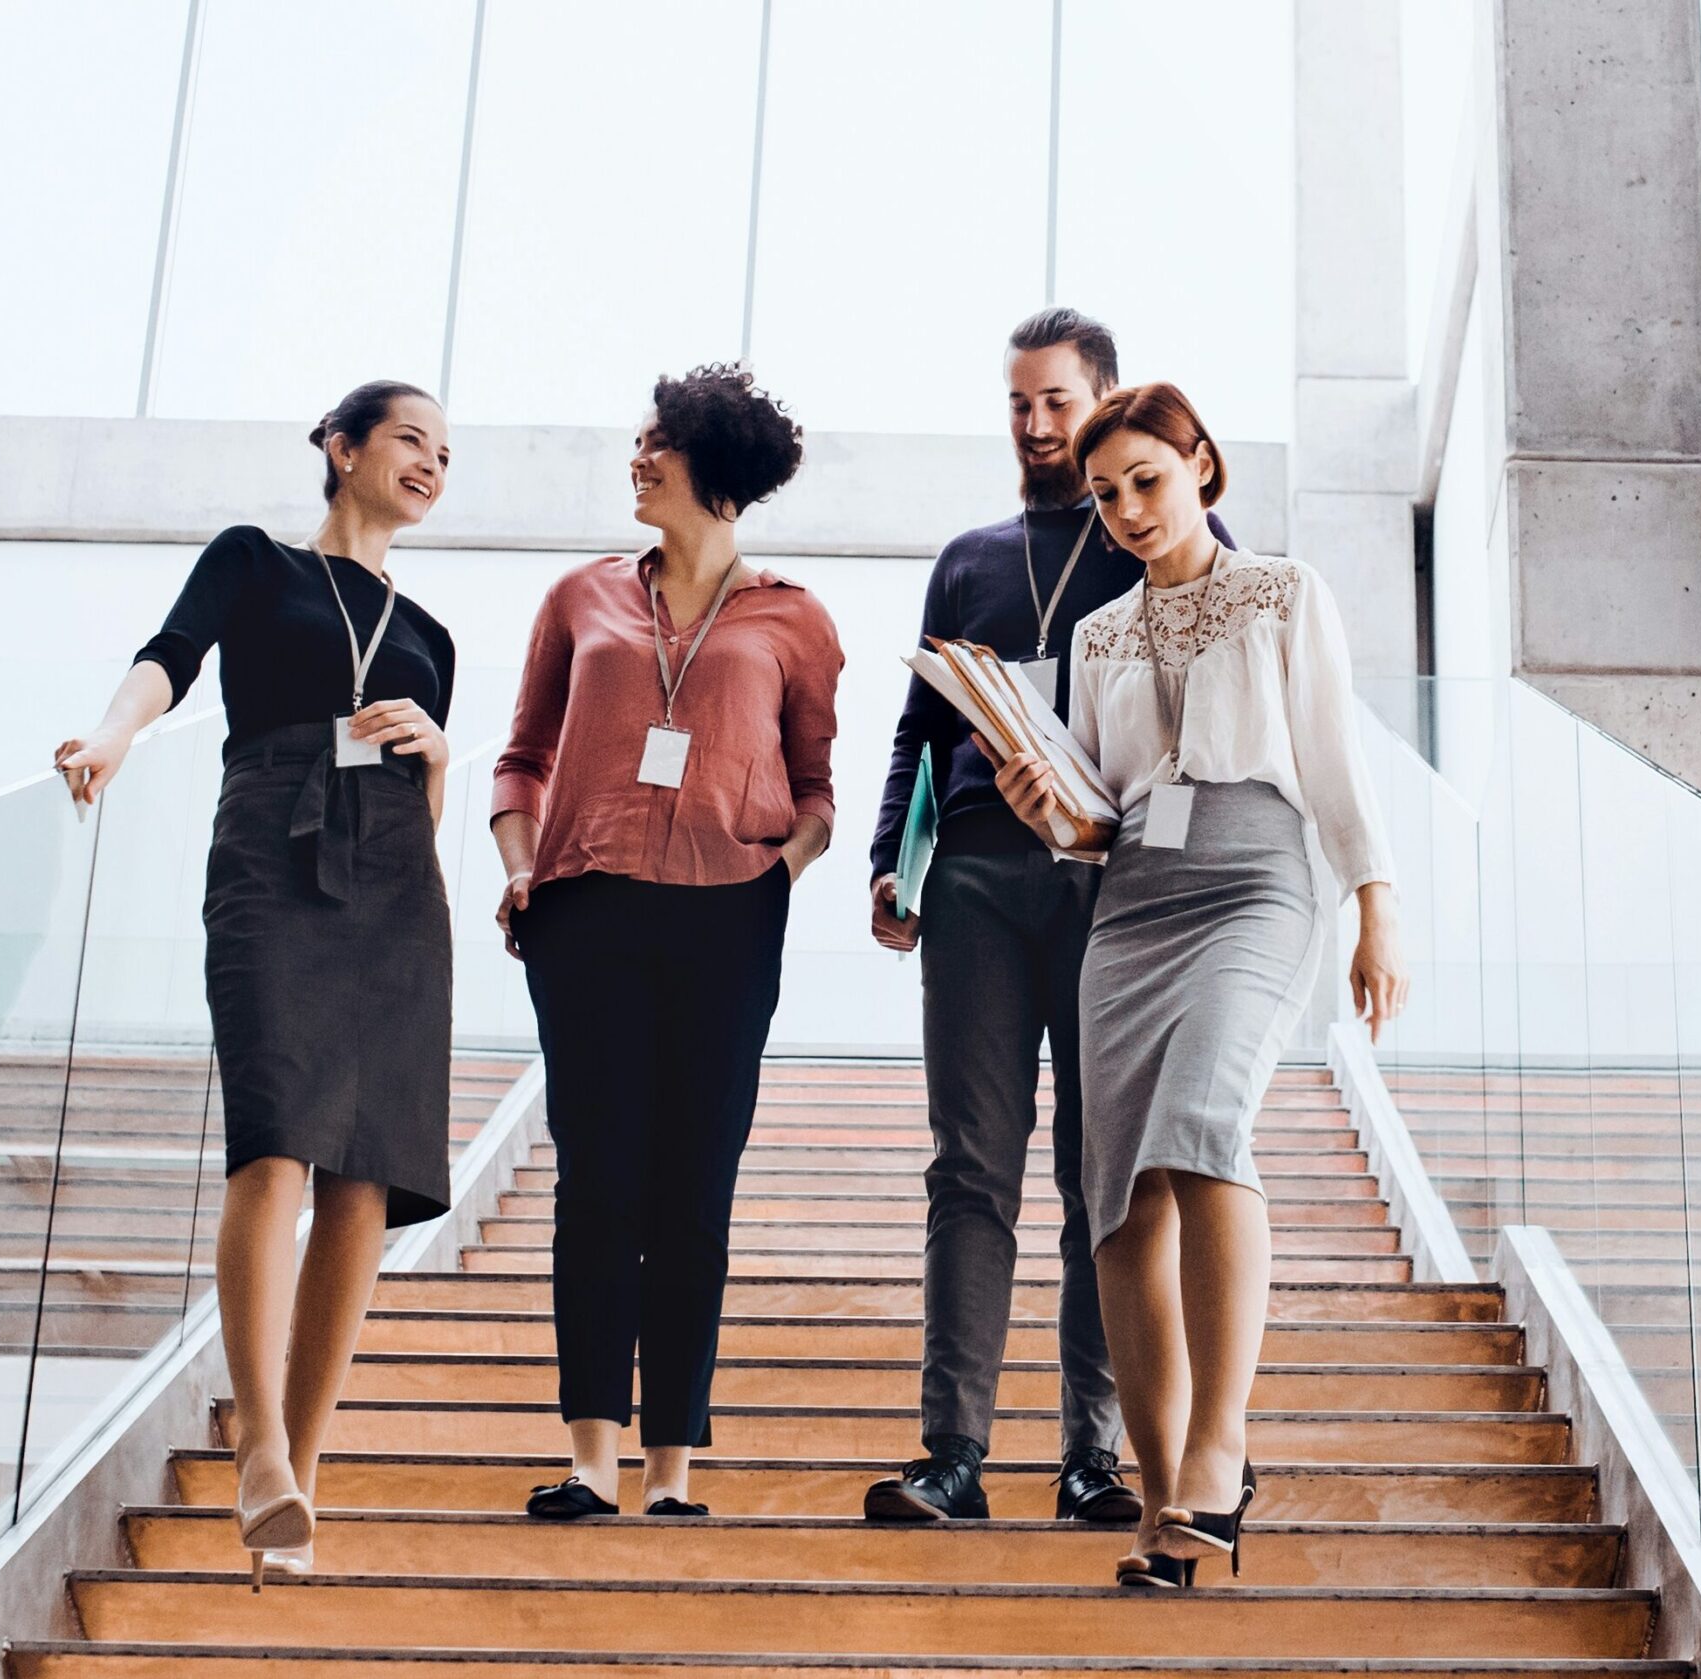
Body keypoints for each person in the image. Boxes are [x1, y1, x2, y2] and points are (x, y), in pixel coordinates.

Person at [990, 381, 1407, 1588]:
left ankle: (1222, 1454)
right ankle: (1165, 1499)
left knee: (1203, 1128)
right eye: (1106, 492)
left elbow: (1331, 751)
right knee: (1116, 1191)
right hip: (1128, 904)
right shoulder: (1098, 635)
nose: (1127, 508)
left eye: (1147, 480)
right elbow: (1099, 803)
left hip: (1256, 878)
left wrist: (1378, 900)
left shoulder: (1282, 590)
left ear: (1201, 465)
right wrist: (1046, 812)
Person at [54, 380, 457, 1587]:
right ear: (339, 448)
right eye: (408, 439)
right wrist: (115, 734)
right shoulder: (254, 559)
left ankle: (305, 1470)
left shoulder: (429, 633)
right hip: (271, 848)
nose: (432, 462)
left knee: (366, 1175)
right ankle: (260, 1447)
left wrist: (438, 752)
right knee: (275, 1141)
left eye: (448, 452)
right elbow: (168, 654)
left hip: (395, 881)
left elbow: (426, 808)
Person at [860, 309, 1232, 1525]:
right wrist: (889, 861)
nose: (1033, 426)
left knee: (1101, 1176)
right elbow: (918, 729)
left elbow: (1209, 706)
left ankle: (1093, 1457)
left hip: (1110, 882)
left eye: (1056, 403)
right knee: (968, 1169)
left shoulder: (1158, 530)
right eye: (1016, 404)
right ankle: (952, 1454)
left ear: (1105, 401)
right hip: (970, 879)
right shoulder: (967, 558)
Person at [491, 363, 839, 1520]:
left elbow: (815, 790)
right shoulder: (580, 596)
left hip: (723, 919)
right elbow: (520, 757)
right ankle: (591, 1457)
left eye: (657, 443)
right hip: (586, 911)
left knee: (694, 1190)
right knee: (597, 1181)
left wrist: (769, 877)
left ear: (715, 462)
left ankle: (673, 1469)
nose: (635, 459)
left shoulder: (793, 617)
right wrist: (517, 866)